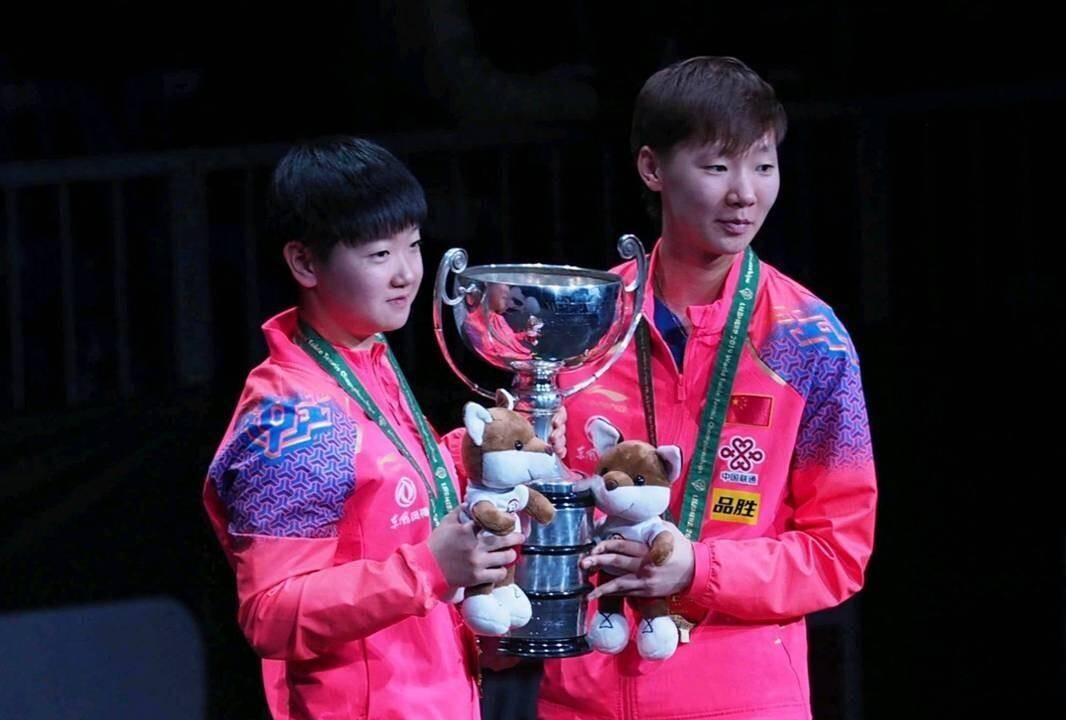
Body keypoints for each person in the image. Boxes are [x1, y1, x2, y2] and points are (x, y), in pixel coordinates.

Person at [540, 56, 878, 719]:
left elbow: (839, 550)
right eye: (717, 167)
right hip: (579, 696)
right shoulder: (583, 323)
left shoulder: (809, 341)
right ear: (652, 168)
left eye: (763, 166)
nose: (744, 193)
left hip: (742, 698)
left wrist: (696, 569)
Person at [202, 136, 525, 719]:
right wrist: (429, 568)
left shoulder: (368, 357)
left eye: (413, 245)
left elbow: (385, 497)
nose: (406, 274)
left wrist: (477, 452)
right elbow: (270, 614)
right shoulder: (294, 416)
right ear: (305, 263)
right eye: (379, 254)